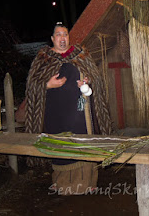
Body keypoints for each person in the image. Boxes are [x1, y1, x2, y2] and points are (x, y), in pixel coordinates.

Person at [25, 22, 112, 195]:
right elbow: (31, 85)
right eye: (58, 35)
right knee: (60, 145)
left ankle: (87, 183)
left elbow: (96, 78)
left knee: (82, 143)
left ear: (68, 37)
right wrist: (47, 84)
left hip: (80, 112)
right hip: (55, 113)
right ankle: (62, 183)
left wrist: (88, 81)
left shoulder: (80, 56)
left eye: (65, 34)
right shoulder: (44, 58)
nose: (62, 38)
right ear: (52, 39)